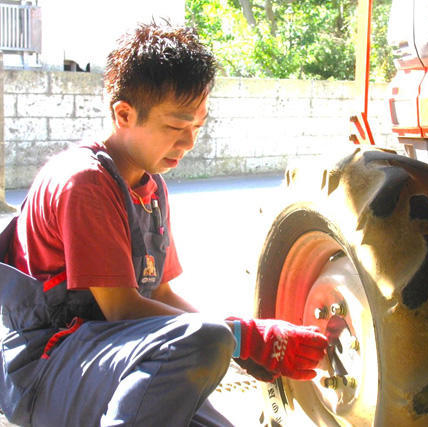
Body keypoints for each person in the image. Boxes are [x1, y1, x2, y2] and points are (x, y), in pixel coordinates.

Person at [0, 23, 328, 426]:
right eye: (176, 126)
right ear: (124, 113)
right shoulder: (83, 181)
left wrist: (240, 345)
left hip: (111, 358)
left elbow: (163, 294)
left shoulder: (151, 187)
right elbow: (122, 309)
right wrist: (241, 338)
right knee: (206, 339)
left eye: (197, 127)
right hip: (48, 370)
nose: (189, 142)